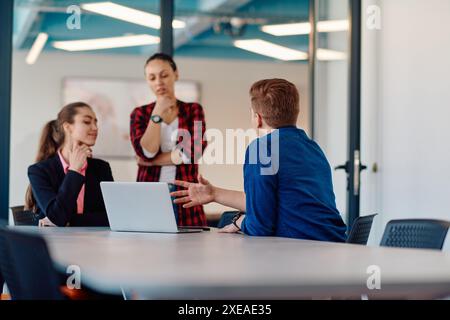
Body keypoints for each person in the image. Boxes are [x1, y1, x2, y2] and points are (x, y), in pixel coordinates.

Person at [172, 79, 347, 242]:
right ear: (296, 112)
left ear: (258, 118)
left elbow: (260, 227)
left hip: (300, 248)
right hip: (333, 243)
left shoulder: (262, 148)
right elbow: (268, 203)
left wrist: (240, 222)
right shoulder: (312, 148)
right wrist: (214, 193)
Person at [130, 53, 207, 227]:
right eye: (152, 77)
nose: (159, 82)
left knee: (189, 249)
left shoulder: (193, 110)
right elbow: (147, 151)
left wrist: (152, 161)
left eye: (164, 75)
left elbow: (193, 152)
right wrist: (157, 113)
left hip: (186, 194)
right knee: (147, 249)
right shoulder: (140, 114)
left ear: (176, 74)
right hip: (149, 195)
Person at [26, 102, 113, 227]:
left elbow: (112, 216)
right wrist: (74, 171)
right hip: (52, 243)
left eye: (96, 122)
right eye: (87, 122)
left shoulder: (101, 168)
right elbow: (56, 216)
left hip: (94, 242)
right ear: (67, 127)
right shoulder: (39, 171)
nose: (95, 127)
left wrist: (70, 221)